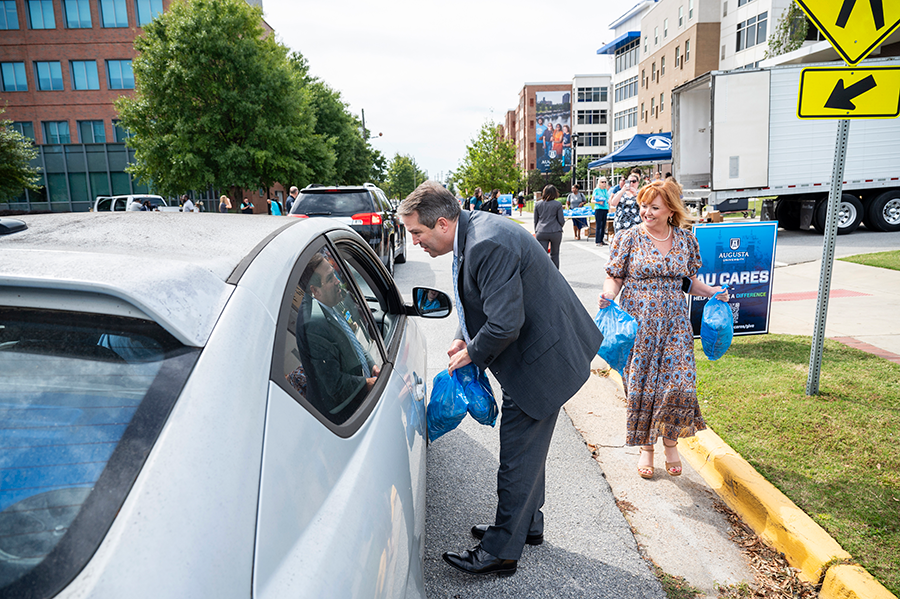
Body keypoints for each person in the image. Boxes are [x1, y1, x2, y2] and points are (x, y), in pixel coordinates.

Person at [397, 181, 602, 577]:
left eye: (417, 232)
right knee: (527, 452)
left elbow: (506, 323)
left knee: (516, 456)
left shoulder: (485, 244)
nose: (415, 241)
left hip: (544, 361)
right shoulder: (471, 233)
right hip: (539, 351)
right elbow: (475, 299)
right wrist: (463, 338)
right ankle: (528, 526)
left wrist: (472, 352)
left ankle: (501, 550)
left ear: (441, 223)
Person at [597, 179, 728, 480]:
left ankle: (671, 444)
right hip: (638, 325)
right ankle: (647, 448)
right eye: (643, 205)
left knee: (679, 382)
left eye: (654, 207)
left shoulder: (685, 239)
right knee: (641, 385)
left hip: (675, 326)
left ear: (670, 209)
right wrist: (608, 294)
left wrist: (711, 292)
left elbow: (687, 281)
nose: (646, 212)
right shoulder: (628, 238)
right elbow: (614, 276)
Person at [296, 253, 380, 413]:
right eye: (329, 278)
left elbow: (352, 340)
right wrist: (369, 383)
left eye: (334, 273)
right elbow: (335, 385)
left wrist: (372, 365)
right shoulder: (314, 323)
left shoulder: (331, 302)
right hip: (345, 414)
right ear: (315, 290)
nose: (337, 282)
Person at [533, 184, 564, 268]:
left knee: (542, 255)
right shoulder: (558, 204)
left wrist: (536, 230)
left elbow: (535, 220)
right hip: (555, 231)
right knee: (555, 254)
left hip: (541, 231)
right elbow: (561, 220)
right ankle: (555, 275)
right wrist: (560, 226)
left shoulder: (537, 204)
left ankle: (543, 274)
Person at [592, 177, 610, 246]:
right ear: (599, 182)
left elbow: (608, 200)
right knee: (599, 225)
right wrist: (598, 202)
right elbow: (592, 200)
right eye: (602, 182)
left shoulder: (605, 190)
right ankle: (597, 241)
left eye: (605, 182)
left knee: (603, 225)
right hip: (598, 208)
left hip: (605, 208)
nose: (604, 183)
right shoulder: (596, 190)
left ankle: (602, 240)